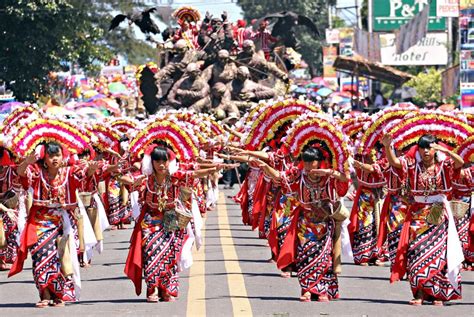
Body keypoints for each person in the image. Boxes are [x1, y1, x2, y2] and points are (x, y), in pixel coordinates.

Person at [250, 144, 349, 302]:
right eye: (306, 162)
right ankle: (307, 290)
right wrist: (266, 167)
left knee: (324, 258)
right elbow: (279, 176)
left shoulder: (329, 177)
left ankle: (322, 290)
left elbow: (345, 179)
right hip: (305, 223)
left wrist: (328, 172)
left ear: (320, 161)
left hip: (325, 224)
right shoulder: (298, 174)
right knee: (305, 256)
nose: (309, 166)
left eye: (312, 162)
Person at [124, 145, 223, 302]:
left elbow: (195, 173)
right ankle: (153, 289)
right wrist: (115, 173)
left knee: (170, 255)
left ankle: (166, 290)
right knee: (151, 253)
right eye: (158, 161)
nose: (161, 164)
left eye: (164, 161)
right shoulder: (146, 179)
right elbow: (128, 180)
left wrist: (213, 169)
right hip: (151, 219)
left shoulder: (176, 176)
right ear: (152, 162)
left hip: (172, 218)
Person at [9, 142, 98, 307]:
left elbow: (86, 175)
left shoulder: (70, 172)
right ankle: (45, 294)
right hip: (40, 221)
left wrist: (92, 168)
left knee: (60, 257)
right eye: (51, 156)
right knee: (40, 257)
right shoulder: (36, 173)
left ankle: (59, 295)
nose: (55, 159)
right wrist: (27, 161)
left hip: (62, 222)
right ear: (44, 158)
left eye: (57, 155)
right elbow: (20, 173)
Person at [382, 133, 464, 306]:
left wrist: (445, 151)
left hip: (437, 211)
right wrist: (388, 147)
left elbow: (460, 163)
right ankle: (419, 293)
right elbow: (394, 163)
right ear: (418, 149)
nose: (426, 151)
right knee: (416, 251)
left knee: (438, 253)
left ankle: (436, 295)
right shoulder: (412, 166)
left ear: (435, 148)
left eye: (430, 147)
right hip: (418, 213)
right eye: (423, 147)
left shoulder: (444, 165)